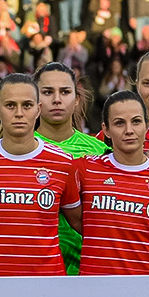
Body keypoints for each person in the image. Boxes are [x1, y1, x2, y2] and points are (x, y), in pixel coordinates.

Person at [0, 72, 81, 276]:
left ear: (38, 109)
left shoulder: (63, 162)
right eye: (10, 106)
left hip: (46, 283)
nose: (19, 113)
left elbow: (81, 222)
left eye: (27, 105)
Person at [77, 91, 149, 275]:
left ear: (146, 125)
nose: (129, 130)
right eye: (119, 123)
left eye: (136, 121)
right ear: (106, 130)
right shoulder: (84, 168)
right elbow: (74, 217)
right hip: (94, 285)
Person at [35, 62, 109, 273]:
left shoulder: (99, 150)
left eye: (65, 92)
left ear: (76, 100)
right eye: (47, 92)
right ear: (34, 98)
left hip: (86, 269)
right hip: (35, 270)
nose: (57, 99)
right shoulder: (21, 148)